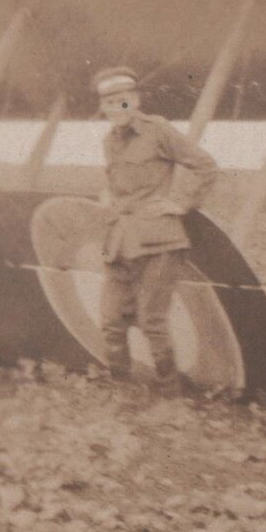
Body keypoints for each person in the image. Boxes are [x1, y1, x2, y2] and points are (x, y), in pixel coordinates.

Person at [92, 67, 218, 388]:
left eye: (122, 101)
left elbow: (205, 165)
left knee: (152, 321)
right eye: (108, 103)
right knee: (110, 320)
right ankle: (120, 388)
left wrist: (181, 203)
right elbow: (120, 185)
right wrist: (109, 195)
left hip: (159, 243)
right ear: (103, 107)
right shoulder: (110, 141)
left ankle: (169, 392)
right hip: (121, 242)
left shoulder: (158, 130)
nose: (115, 109)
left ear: (135, 101)